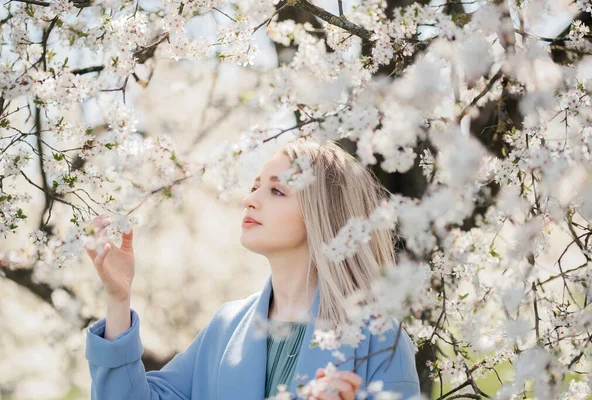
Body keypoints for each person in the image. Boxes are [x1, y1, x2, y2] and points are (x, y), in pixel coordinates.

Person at [84, 138, 421, 400]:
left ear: (324, 214)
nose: (250, 200)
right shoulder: (226, 328)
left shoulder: (378, 340)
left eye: (277, 190)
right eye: (254, 186)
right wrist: (119, 298)